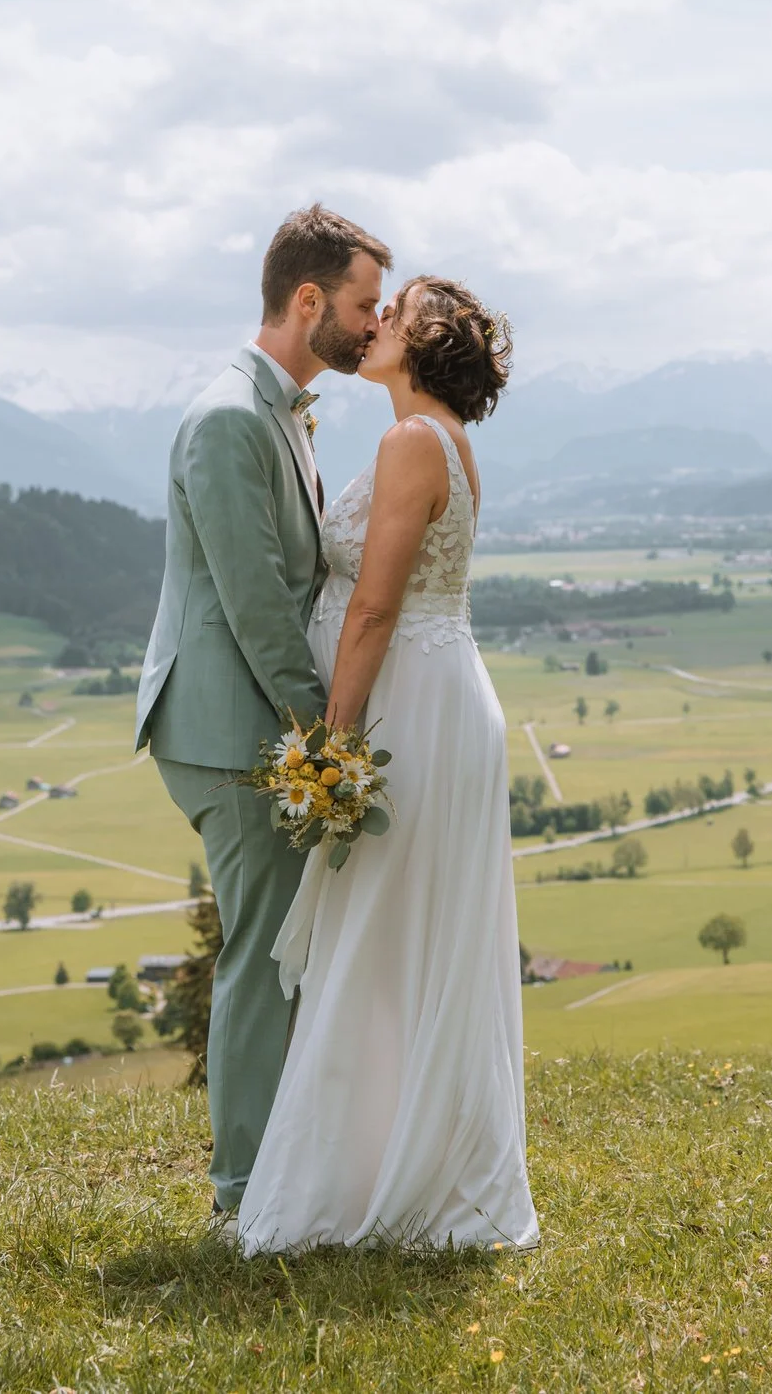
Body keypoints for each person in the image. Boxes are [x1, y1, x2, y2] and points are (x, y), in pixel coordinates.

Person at [237, 273, 539, 1254]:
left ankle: (381, 1181)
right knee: (406, 937)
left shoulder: (415, 441)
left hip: (411, 701)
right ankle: (398, 1156)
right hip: (433, 692)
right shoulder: (438, 437)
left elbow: (372, 606)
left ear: (422, 341)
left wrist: (333, 737)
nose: (372, 326)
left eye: (391, 315)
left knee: (381, 933)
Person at [134, 203, 387, 1220]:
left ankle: (282, 1164)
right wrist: (324, 741)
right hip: (230, 726)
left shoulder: (277, 406)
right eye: (365, 305)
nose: (375, 324)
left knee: (282, 944)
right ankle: (244, 1191)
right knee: (258, 948)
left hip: (252, 720)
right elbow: (253, 606)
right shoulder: (232, 417)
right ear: (308, 298)